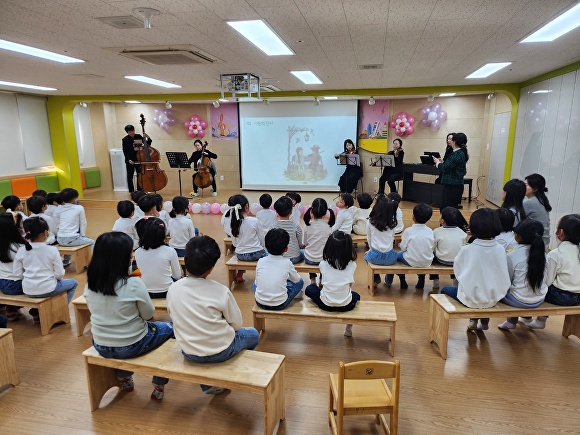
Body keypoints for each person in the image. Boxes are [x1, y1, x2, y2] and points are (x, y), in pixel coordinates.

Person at [84, 232, 175, 400]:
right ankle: (159, 382)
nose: (132, 257)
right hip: (132, 344)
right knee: (173, 328)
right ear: (121, 259)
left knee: (133, 333)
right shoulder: (133, 283)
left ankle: (124, 376)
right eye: (130, 255)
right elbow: (148, 315)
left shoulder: (91, 283)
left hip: (101, 344)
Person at [166, 236, 259, 395]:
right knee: (253, 334)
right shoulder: (220, 291)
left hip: (188, 351)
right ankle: (228, 370)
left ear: (185, 261)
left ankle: (208, 382)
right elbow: (236, 324)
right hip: (221, 350)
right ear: (211, 268)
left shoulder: (173, 288)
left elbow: (174, 316)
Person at [440, 208, 510, 331]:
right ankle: (482, 321)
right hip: (494, 298)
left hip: (471, 299)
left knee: (445, 290)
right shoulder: (500, 249)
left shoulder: (467, 250)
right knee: (485, 287)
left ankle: (447, 327)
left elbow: (458, 272)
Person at [519, 214, 580, 329]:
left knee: (538, 286)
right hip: (578, 297)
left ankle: (536, 319)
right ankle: (534, 319)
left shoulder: (556, 254)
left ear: (560, 232)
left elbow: (547, 281)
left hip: (561, 297)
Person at [13, 217, 78, 322]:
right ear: (45, 233)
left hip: (28, 290)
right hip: (48, 288)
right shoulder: (52, 250)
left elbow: (17, 274)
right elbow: (60, 274)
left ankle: (37, 311)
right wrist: (53, 278)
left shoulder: (21, 250)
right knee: (73, 283)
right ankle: (58, 310)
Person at [304, 231, 360, 337]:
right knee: (356, 295)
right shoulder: (352, 265)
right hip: (346, 305)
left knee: (309, 289)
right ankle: (348, 327)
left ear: (328, 247)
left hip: (326, 304)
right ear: (349, 248)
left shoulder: (323, 264)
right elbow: (350, 286)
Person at [497, 219, 548, 330]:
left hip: (518, 300)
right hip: (539, 299)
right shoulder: (545, 256)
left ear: (517, 236)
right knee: (524, 287)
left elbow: (507, 282)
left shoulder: (512, 257)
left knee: (503, 288)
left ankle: (511, 321)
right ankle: (524, 318)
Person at [254, 228, 304, 310]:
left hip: (260, 302)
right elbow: (297, 280)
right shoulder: (287, 262)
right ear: (286, 249)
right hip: (280, 304)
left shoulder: (261, 261)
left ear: (266, 247)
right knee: (300, 282)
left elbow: (257, 282)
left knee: (254, 284)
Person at [388, 203, 434, 289]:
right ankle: (421, 276)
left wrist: (399, 245)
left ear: (413, 216)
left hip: (411, 261)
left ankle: (399, 279)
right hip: (427, 261)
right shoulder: (430, 231)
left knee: (396, 255)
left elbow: (403, 248)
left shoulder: (409, 231)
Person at [222, 194, 267, 282]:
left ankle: (239, 274)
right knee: (269, 255)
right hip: (257, 253)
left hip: (240, 255)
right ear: (246, 206)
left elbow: (234, 244)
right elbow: (262, 240)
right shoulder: (254, 221)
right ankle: (263, 277)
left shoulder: (233, 223)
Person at [134, 217, 181, 298]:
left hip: (145, 292)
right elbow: (177, 276)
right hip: (167, 291)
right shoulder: (170, 251)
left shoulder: (138, 252)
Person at [54, 188, 94, 268]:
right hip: (72, 238)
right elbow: (83, 223)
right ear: (75, 199)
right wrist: (83, 236)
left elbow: (56, 222)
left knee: (71, 241)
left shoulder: (58, 208)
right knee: (93, 242)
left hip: (60, 238)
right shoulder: (79, 208)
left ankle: (65, 261)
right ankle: (93, 263)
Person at [429, 207, 468, 289]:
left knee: (431, 255)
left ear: (442, 221)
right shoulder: (462, 233)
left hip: (441, 260)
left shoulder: (436, 231)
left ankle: (435, 280)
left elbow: (433, 247)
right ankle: (455, 280)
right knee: (456, 255)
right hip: (456, 262)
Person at [364, 197, 398, 287]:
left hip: (374, 256)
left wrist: (371, 250)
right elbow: (392, 238)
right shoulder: (393, 223)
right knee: (396, 254)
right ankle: (388, 281)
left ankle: (376, 280)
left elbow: (369, 239)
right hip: (390, 258)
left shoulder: (370, 222)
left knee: (365, 257)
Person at [303, 198, 335, 286]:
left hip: (309, 259)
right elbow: (330, 245)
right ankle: (321, 279)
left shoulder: (307, 226)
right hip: (324, 259)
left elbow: (305, 243)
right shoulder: (329, 227)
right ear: (325, 212)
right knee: (325, 253)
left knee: (306, 251)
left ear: (312, 211)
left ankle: (312, 279)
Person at [0, 212, 26, 321]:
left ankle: (12, 308)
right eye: (21, 224)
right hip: (16, 285)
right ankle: (36, 311)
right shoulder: (21, 246)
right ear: (15, 228)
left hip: (1, 283)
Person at [433, 132, 468, 209]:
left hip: (452, 185)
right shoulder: (458, 153)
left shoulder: (457, 154)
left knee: (447, 208)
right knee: (448, 207)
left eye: (451, 139)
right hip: (453, 185)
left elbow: (445, 167)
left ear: (455, 141)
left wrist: (437, 163)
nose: (449, 141)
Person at [523, 173, 552, 246]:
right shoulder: (542, 200)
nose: (523, 187)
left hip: (535, 243)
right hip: (544, 241)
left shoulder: (529, 202)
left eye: (526, 185)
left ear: (535, 188)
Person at [273, 196, 303, 264]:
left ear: (277, 211)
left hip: (279, 257)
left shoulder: (273, 226)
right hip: (294, 258)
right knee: (303, 252)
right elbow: (299, 242)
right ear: (291, 211)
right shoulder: (295, 225)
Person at [122, 124, 151, 193]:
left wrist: (148, 138)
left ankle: (139, 189)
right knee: (130, 176)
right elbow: (125, 151)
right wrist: (129, 159)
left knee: (140, 175)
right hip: (130, 160)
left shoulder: (138, 136)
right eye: (130, 131)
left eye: (133, 131)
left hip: (139, 158)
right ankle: (131, 191)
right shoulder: (125, 139)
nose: (132, 132)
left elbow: (147, 145)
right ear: (127, 132)